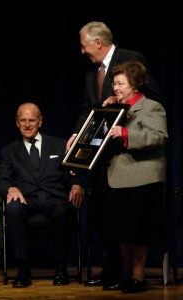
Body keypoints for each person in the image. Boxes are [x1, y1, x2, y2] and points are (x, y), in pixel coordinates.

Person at [66, 21, 163, 290]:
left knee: (133, 224)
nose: (82, 52)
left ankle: (132, 274)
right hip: (105, 157)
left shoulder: (132, 60)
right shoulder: (91, 75)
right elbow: (88, 110)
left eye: (84, 45)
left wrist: (120, 102)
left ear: (98, 42)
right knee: (109, 219)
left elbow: (150, 94)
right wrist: (77, 135)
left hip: (132, 158)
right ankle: (112, 272)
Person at [0, 102, 85, 288]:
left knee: (63, 209)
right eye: (23, 120)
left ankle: (61, 267)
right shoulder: (9, 152)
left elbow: (73, 175)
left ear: (40, 121)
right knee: (12, 209)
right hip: (26, 199)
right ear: (17, 123)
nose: (27, 124)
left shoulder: (60, 146)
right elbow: (3, 180)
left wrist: (77, 185)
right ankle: (23, 269)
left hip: (54, 198)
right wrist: (10, 189)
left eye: (32, 120)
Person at [104, 60, 168, 293]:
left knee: (139, 231)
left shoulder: (151, 107)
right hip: (118, 175)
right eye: (114, 83)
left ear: (135, 85)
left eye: (120, 83)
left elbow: (158, 137)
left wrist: (126, 133)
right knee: (121, 229)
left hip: (143, 176)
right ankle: (125, 273)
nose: (116, 88)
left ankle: (138, 277)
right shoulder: (114, 108)